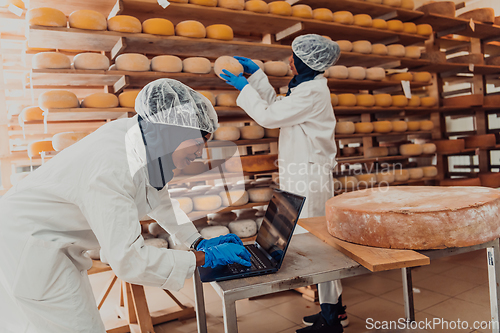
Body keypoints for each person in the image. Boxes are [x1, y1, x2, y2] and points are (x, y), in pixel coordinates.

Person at [0, 79, 251, 333]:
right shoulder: (113, 166)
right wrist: (203, 258)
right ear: (171, 131)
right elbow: (129, 260)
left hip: (50, 242)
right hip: (31, 246)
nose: (200, 153)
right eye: (198, 142)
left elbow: (159, 200)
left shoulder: (142, 138)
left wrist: (197, 241)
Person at [221, 34, 347, 333]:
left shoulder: (312, 93)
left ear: (306, 62)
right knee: (317, 244)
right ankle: (334, 309)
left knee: (317, 246)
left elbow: (269, 115)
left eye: (294, 57)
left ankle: (332, 320)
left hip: (309, 179)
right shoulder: (305, 89)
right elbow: (279, 107)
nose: (290, 61)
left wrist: (244, 88)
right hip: (301, 174)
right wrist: (256, 76)